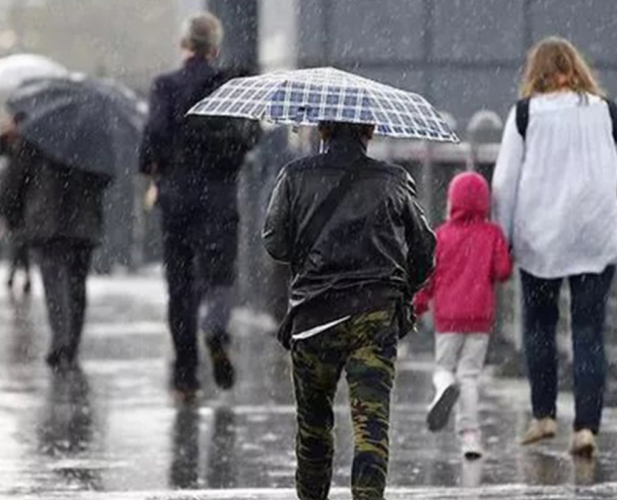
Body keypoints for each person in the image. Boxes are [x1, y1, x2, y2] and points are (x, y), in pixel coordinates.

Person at [492, 37, 617, 457]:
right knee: (588, 332)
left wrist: (502, 236)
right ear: (576, 69)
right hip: (594, 238)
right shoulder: (607, 112)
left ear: (536, 72)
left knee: (540, 327)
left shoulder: (524, 114)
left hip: (539, 239)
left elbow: (504, 182)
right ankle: (586, 429)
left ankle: (543, 416)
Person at [263, 121, 435, 500]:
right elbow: (424, 248)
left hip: (313, 316)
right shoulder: (393, 179)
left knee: (313, 427)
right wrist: (403, 290)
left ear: (322, 129)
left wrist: (311, 256)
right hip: (374, 312)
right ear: (369, 130)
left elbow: (275, 242)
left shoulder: (294, 176)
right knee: (371, 426)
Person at [139, 13, 260, 399]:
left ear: (184, 45)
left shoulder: (166, 86)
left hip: (177, 197)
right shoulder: (229, 87)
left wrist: (154, 167)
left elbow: (154, 135)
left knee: (180, 287)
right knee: (220, 274)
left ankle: (185, 376)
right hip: (220, 197)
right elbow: (249, 137)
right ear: (215, 48)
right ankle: (216, 328)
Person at [413, 172, 513, 459]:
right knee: (469, 375)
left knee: (444, 367)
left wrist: (418, 305)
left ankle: (445, 386)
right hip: (479, 318)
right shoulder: (492, 234)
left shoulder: (441, 236)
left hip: (448, 319)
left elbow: (427, 278)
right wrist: (504, 248)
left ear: (451, 201)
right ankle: (470, 437)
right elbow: (503, 272)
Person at [0, 123, 109, 370]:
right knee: (77, 283)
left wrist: (10, 213)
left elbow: (17, 177)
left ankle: (61, 339)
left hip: (48, 221)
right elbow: (105, 177)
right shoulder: (92, 135)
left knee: (54, 280)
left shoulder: (36, 132)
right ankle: (71, 343)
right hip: (83, 222)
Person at [0, 114, 32, 294]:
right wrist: (3, 133)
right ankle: (21, 274)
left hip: (27, 198)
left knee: (20, 238)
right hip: (10, 198)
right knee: (17, 237)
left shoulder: (30, 143)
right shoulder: (9, 142)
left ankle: (17, 273)